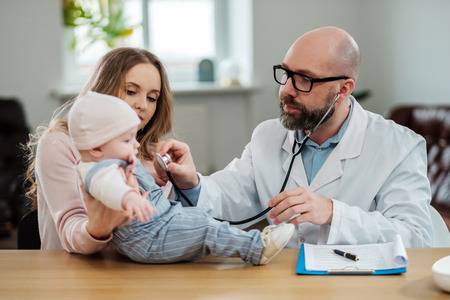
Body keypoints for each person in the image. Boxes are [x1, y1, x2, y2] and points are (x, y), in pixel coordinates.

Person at [155, 26, 433, 248]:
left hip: (359, 287)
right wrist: (192, 182)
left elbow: (416, 237)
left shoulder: (400, 147)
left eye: (304, 79)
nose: (285, 90)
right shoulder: (268, 136)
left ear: (344, 89)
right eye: (286, 73)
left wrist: (334, 213)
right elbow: (231, 197)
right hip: (283, 283)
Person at [68, 91, 295, 265]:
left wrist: (153, 180)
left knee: (201, 222)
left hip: (159, 223)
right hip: (147, 237)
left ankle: (251, 244)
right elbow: (109, 188)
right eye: (127, 140)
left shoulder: (114, 159)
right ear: (96, 148)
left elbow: (133, 183)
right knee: (204, 228)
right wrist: (129, 198)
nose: (135, 144)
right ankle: (257, 248)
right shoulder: (97, 170)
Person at [23, 48, 175, 253]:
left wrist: (187, 187)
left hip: (136, 276)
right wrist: (98, 228)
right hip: (71, 275)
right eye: (131, 91)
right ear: (103, 89)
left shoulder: (153, 155)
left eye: (152, 98)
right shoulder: (60, 143)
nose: (142, 106)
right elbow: (70, 230)